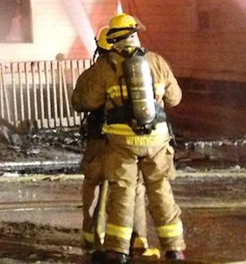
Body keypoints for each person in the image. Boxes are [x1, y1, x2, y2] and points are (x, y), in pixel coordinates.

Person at [73, 13, 185, 263]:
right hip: (157, 140)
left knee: (123, 192)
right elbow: (175, 98)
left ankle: (117, 251)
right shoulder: (156, 61)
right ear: (135, 35)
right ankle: (174, 248)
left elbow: (88, 101)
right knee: (160, 190)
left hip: (122, 143)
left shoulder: (106, 65)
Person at [78, 27, 156, 262]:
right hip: (133, 138)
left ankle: (95, 239)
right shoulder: (145, 67)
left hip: (100, 138)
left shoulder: (95, 72)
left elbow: (79, 101)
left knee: (95, 184)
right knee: (132, 189)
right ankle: (137, 240)